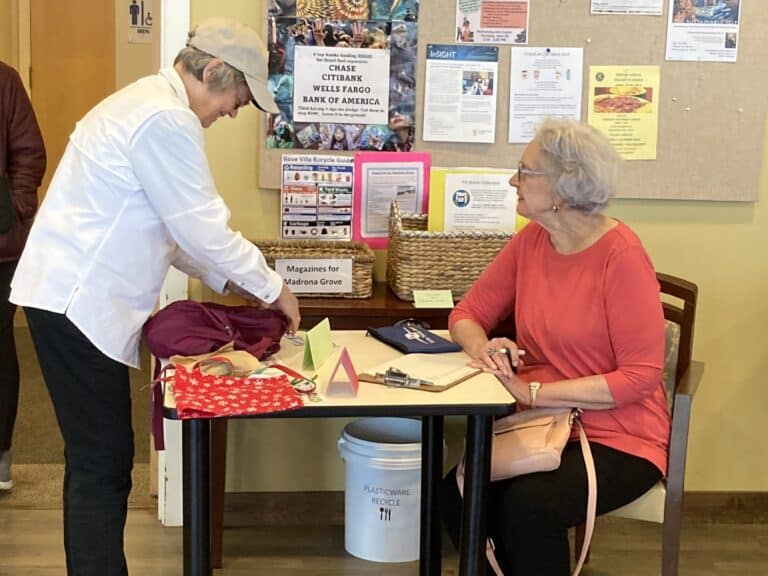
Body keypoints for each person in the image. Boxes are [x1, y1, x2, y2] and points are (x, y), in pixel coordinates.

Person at [9, 18, 300, 575]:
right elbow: (202, 228)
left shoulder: (145, 105)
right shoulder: (166, 119)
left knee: (100, 459)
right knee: (103, 463)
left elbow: (174, 231)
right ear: (213, 70)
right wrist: (275, 288)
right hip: (77, 305)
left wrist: (241, 282)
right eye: (237, 98)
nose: (234, 113)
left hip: (68, 300)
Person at [440, 118, 670, 575]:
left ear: (564, 187)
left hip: (620, 435)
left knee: (529, 507)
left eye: (524, 172)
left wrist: (535, 393)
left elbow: (641, 376)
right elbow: (465, 314)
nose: (512, 181)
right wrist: (487, 349)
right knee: (456, 495)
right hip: (543, 423)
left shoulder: (620, 257)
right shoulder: (533, 240)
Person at [0, 61, 46, 491]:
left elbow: (30, 151)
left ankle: (0, 454)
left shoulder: (4, 80)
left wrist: (14, 208)